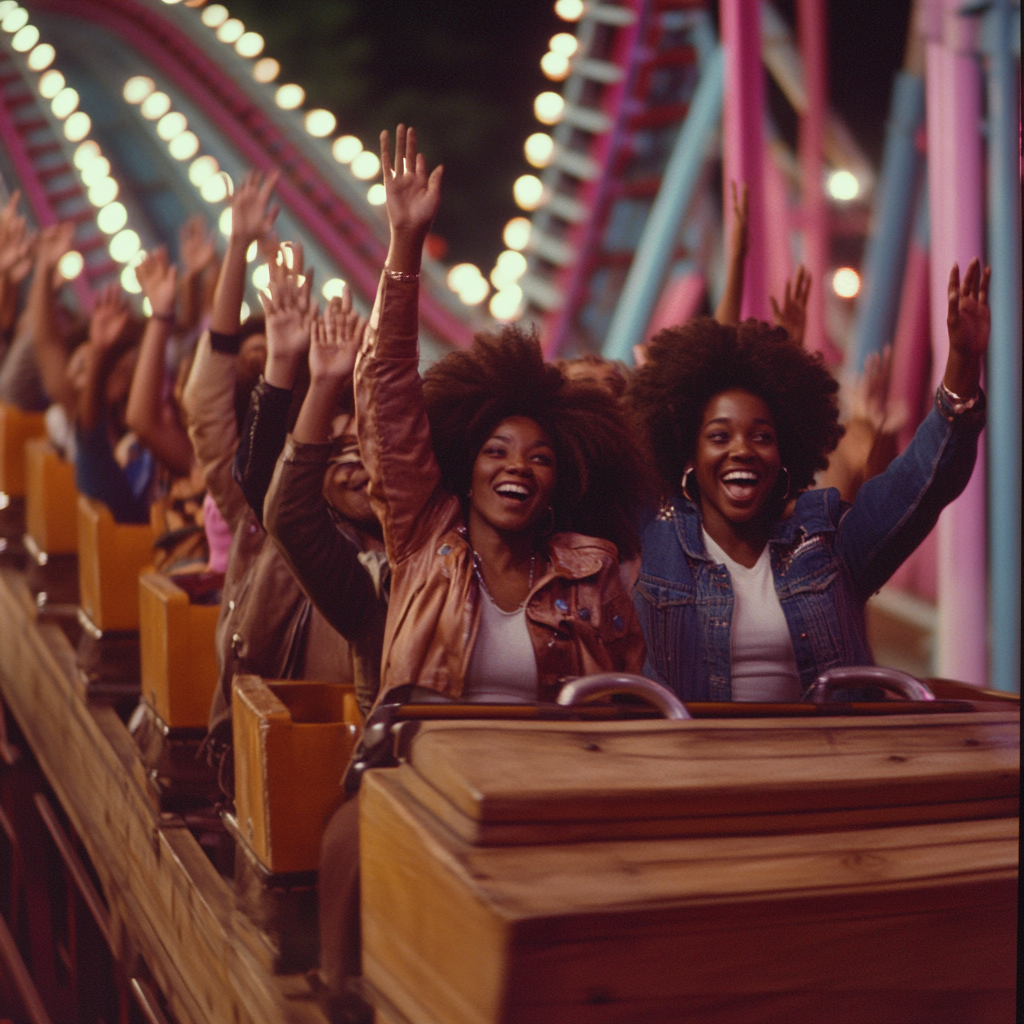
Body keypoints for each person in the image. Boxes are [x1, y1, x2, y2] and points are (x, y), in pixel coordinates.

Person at [628, 258, 990, 701]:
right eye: (719, 436)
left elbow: (920, 484)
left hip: (828, 762)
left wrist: (962, 366)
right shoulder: (654, 533)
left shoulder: (827, 538)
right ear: (687, 454)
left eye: (761, 436)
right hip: (694, 764)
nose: (742, 449)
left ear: (785, 454)